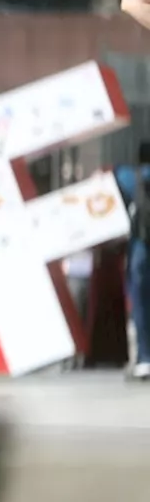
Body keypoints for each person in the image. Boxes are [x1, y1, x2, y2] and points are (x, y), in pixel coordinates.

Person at [115, 141, 150, 379]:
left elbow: (113, 176)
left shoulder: (130, 177)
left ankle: (145, 359)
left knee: (141, 306)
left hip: (141, 249)